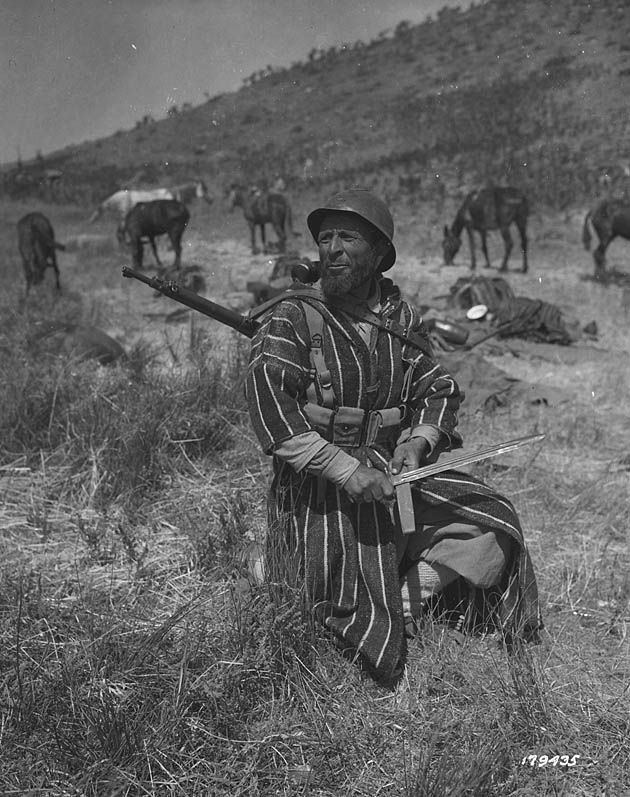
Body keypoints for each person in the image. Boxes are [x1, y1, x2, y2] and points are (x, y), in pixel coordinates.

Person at [245, 188, 542, 685]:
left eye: (348, 238)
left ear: (380, 253)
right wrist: (346, 471)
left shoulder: (398, 316)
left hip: (391, 472)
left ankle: (407, 597)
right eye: (325, 238)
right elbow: (274, 413)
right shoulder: (292, 316)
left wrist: (418, 441)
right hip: (323, 482)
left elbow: (436, 384)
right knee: (337, 598)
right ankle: (291, 573)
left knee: (493, 521)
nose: (332, 249)